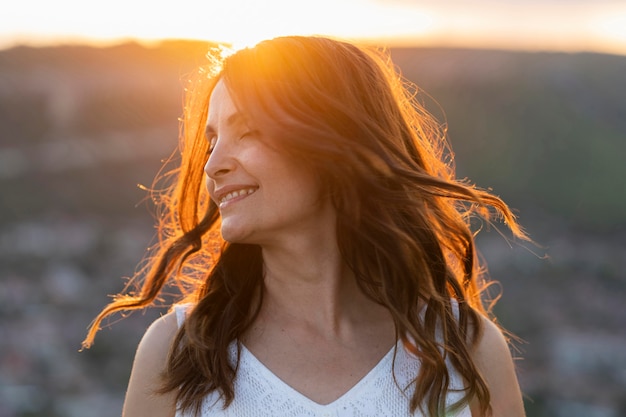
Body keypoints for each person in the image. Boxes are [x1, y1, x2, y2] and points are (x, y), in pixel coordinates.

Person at [83, 35, 528, 417]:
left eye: (249, 131)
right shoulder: (178, 352)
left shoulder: (466, 350)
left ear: (334, 143)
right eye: (212, 140)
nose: (213, 165)